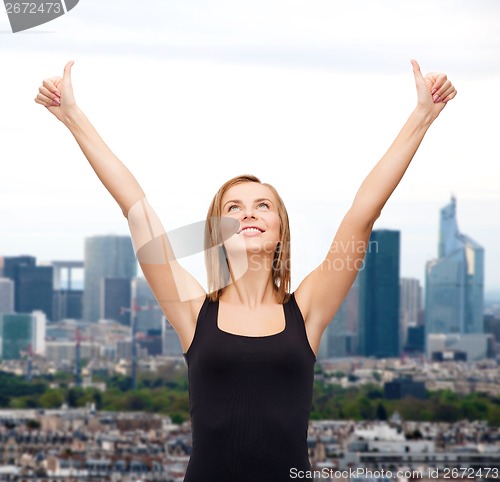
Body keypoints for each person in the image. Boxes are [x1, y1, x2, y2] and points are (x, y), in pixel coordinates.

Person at [34, 60, 456, 481]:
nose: (248, 214)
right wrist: (73, 116)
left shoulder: (307, 310)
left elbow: (363, 213)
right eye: (232, 208)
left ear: (279, 230)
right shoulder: (192, 310)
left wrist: (421, 116)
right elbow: (136, 209)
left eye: (262, 206)